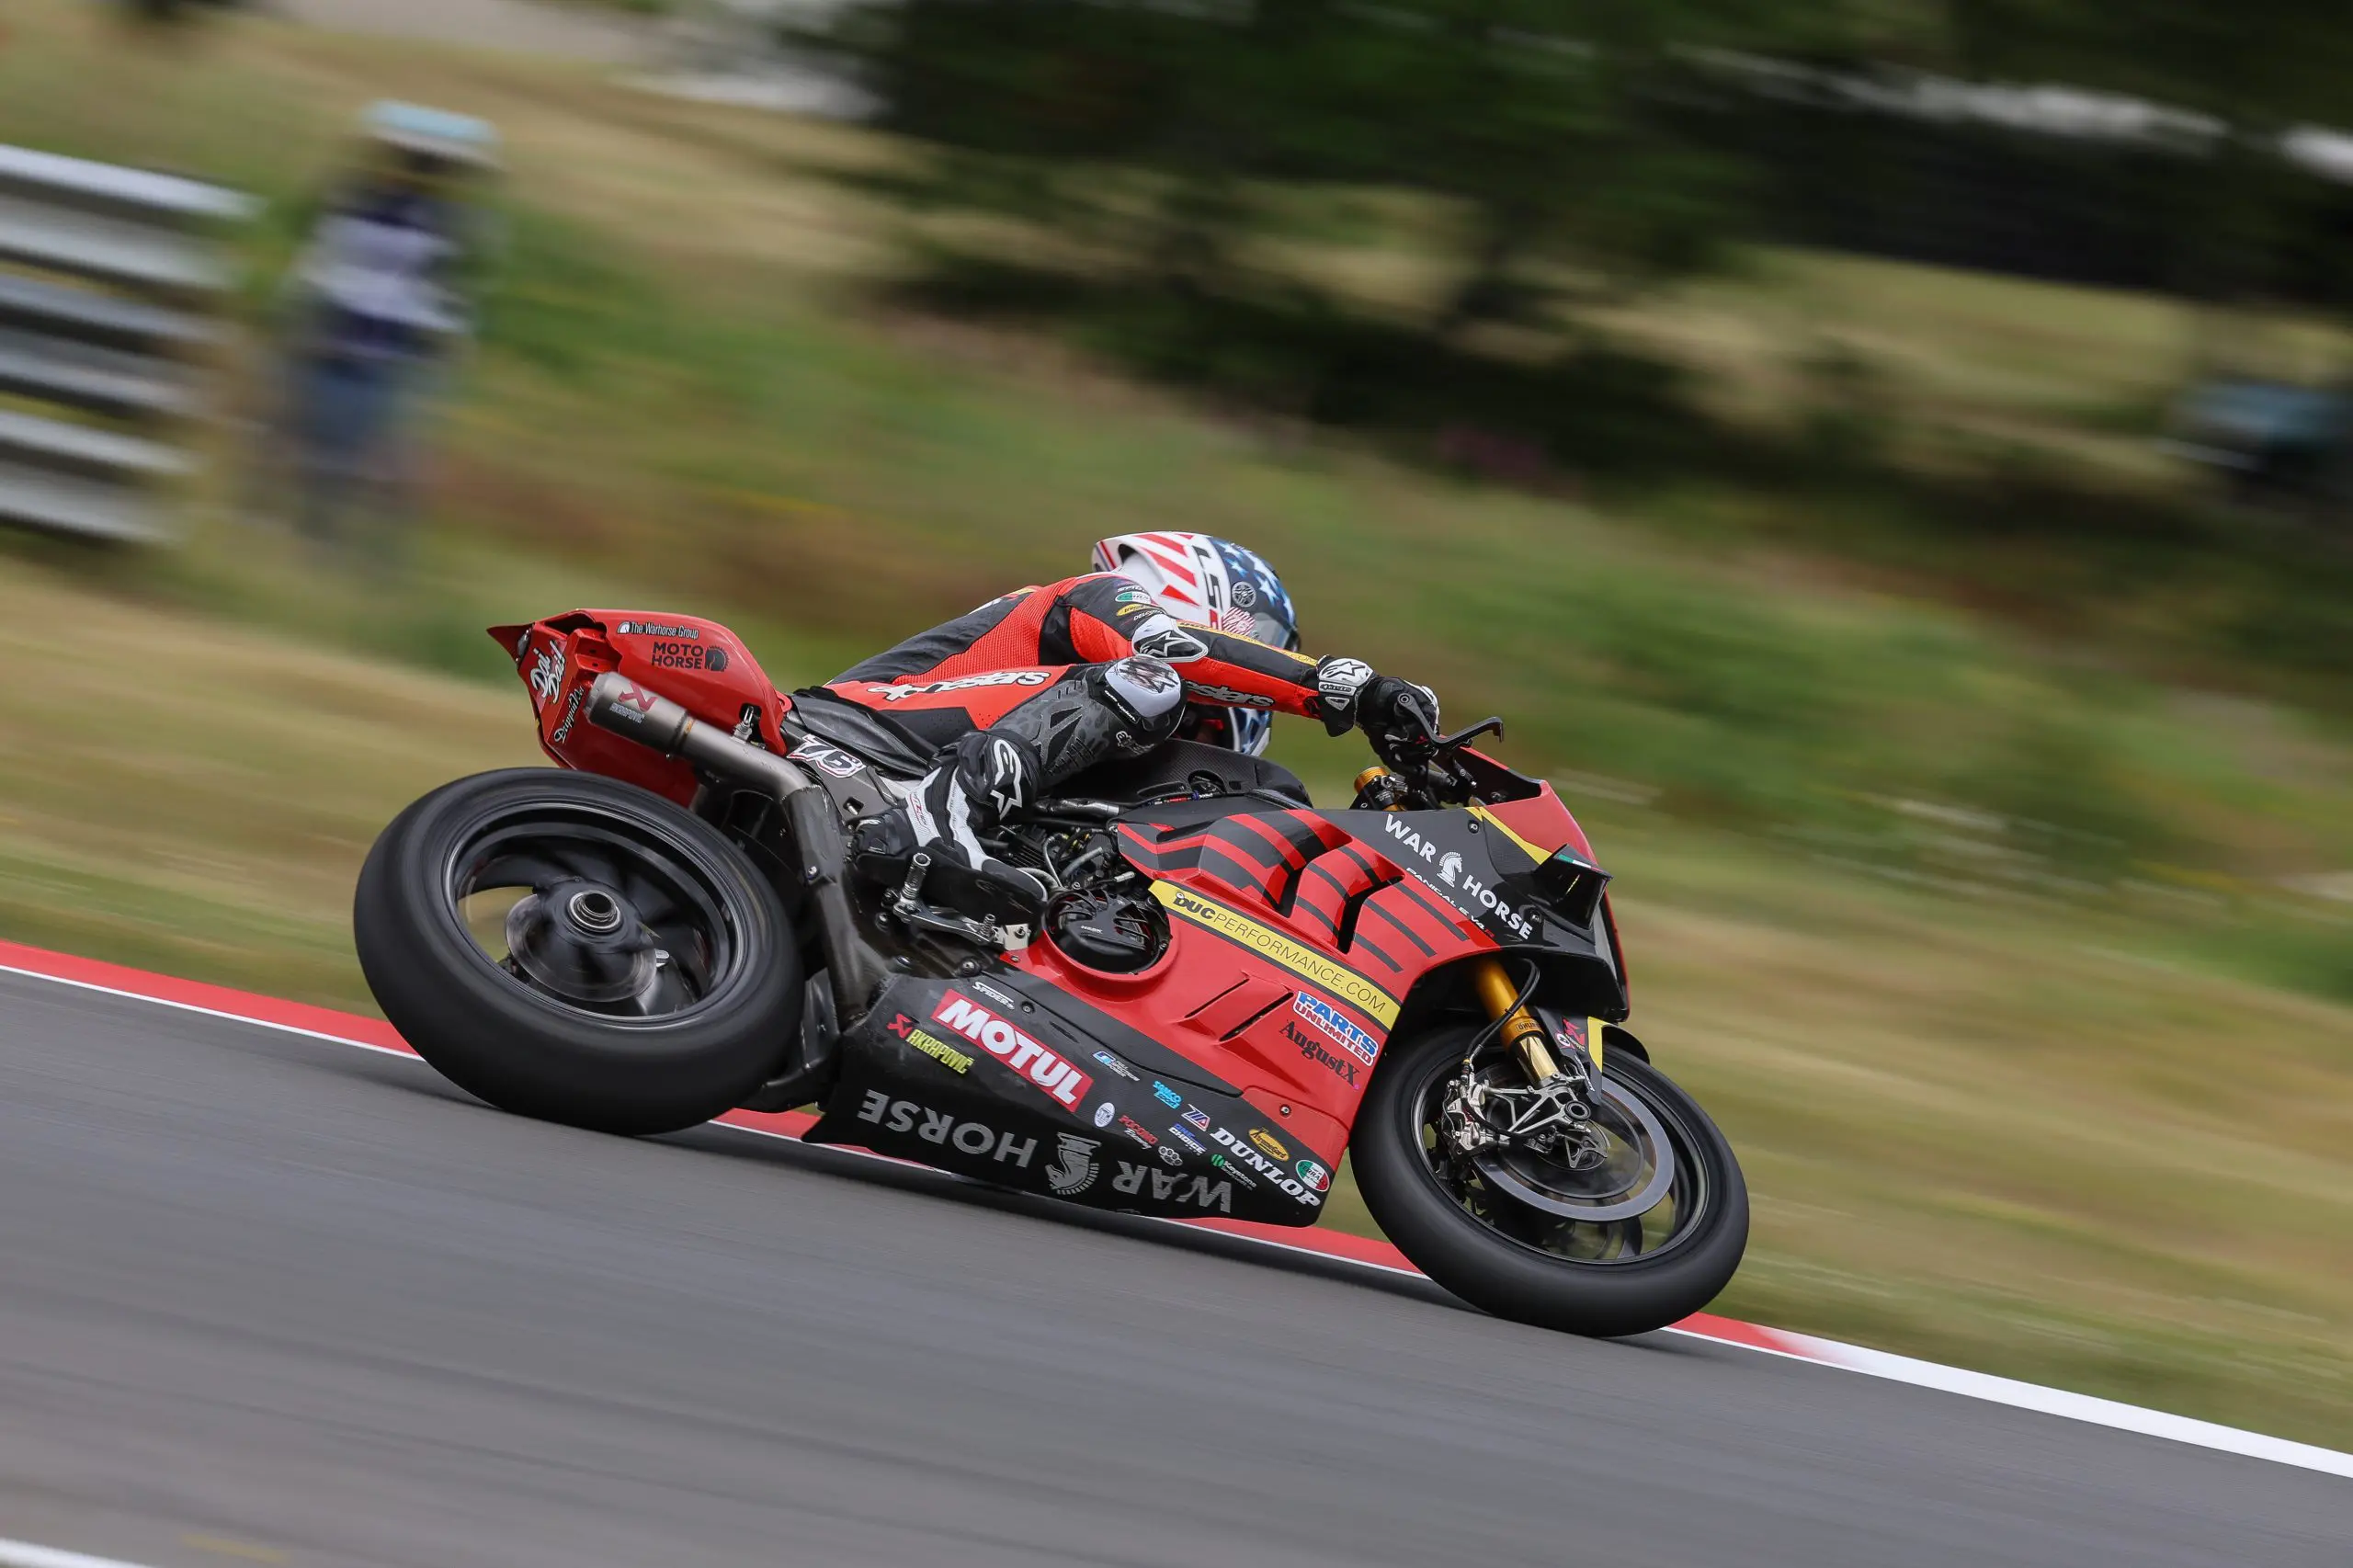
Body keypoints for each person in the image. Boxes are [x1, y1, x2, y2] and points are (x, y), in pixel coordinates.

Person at [795, 531, 1442, 924]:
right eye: (1264, 642)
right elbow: (1181, 653)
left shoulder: (1093, 749)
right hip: (861, 734)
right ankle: (934, 820)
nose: (1264, 665)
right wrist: (1352, 689)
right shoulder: (1099, 595)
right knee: (1150, 682)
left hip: (904, 774)